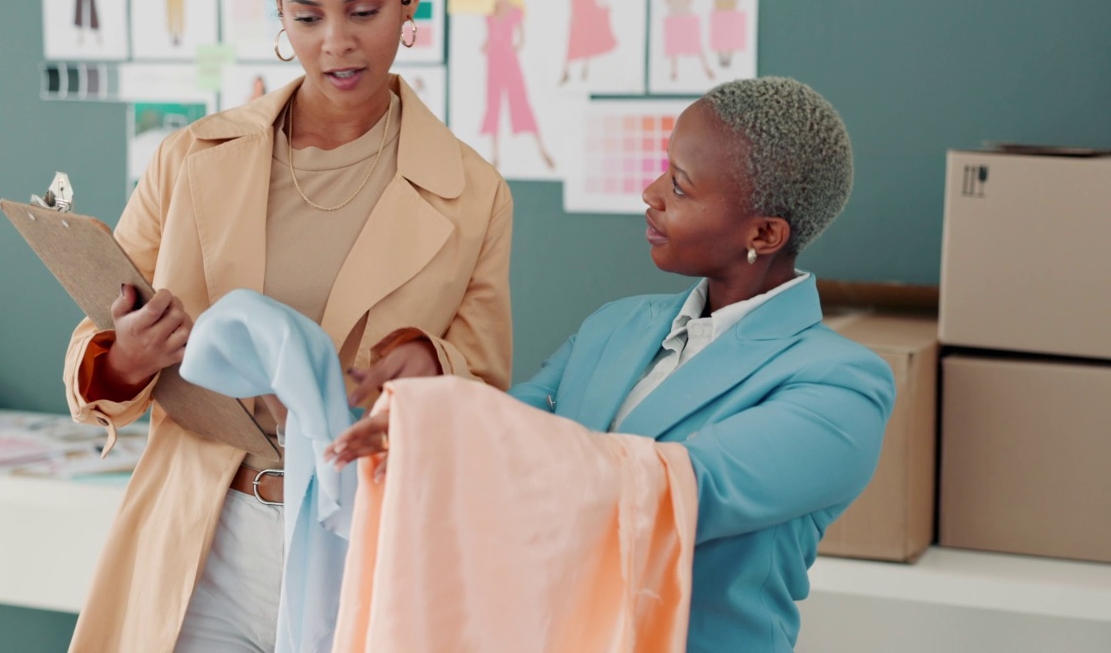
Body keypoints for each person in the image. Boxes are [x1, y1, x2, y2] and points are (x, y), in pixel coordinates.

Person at [329, 77, 895, 653]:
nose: (650, 193)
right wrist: (424, 426)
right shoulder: (616, 325)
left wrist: (454, 428)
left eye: (679, 186)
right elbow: (513, 419)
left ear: (764, 233)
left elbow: (685, 489)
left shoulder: (842, 388)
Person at [61, 0, 514, 650]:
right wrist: (127, 359)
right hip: (205, 538)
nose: (337, 43)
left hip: (361, 536)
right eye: (307, 17)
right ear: (278, 9)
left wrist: (428, 366)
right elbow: (98, 343)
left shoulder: (473, 192)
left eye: (363, 10)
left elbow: (484, 383)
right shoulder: (192, 157)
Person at [480, 0, 554, 170]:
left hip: (509, 60)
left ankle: (542, 150)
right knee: (493, 105)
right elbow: (488, 37)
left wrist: (509, 46)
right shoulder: (491, 10)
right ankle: (494, 158)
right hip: (494, 61)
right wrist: (487, 46)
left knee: (520, 101)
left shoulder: (515, 10)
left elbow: (521, 39)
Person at [559, 0, 617, 85]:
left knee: (588, 40)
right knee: (573, 41)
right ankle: (566, 71)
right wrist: (573, 14)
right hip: (579, 12)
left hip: (590, 10)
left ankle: (585, 69)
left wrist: (605, 2)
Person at [663, 0, 711, 81]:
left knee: (694, 39)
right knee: (673, 42)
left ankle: (706, 67)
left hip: (684, 10)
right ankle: (673, 70)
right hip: (673, 10)